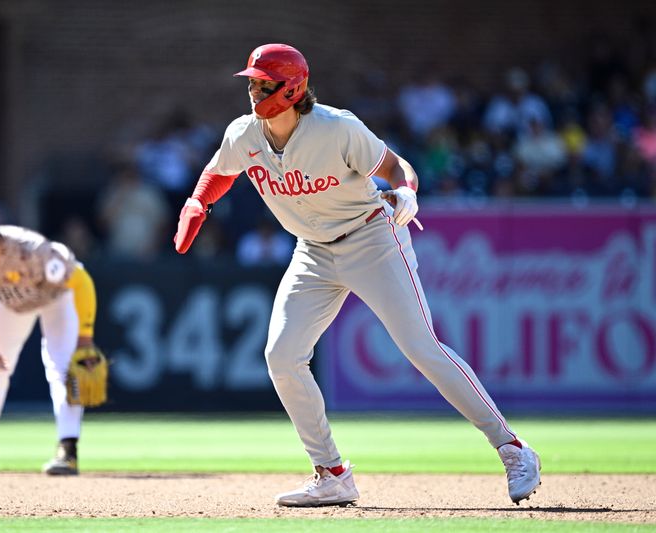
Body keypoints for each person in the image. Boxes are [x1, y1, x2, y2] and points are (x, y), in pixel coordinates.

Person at [173, 44, 541, 507]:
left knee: (421, 347)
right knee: (282, 356)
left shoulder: (336, 128)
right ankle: (332, 473)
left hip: (371, 239)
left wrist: (407, 191)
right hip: (312, 251)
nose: (253, 90)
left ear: (292, 87)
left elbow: (394, 166)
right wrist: (197, 202)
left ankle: (513, 448)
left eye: (263, 82)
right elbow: (219, 170)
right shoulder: (244, 133)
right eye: (250, 81)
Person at [0, 191, 100, 476]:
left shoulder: (30, 251)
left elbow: (82, 281)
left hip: (56, 296)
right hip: (10, 301)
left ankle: (68, 451)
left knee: (63, 366)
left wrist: (84, 337)